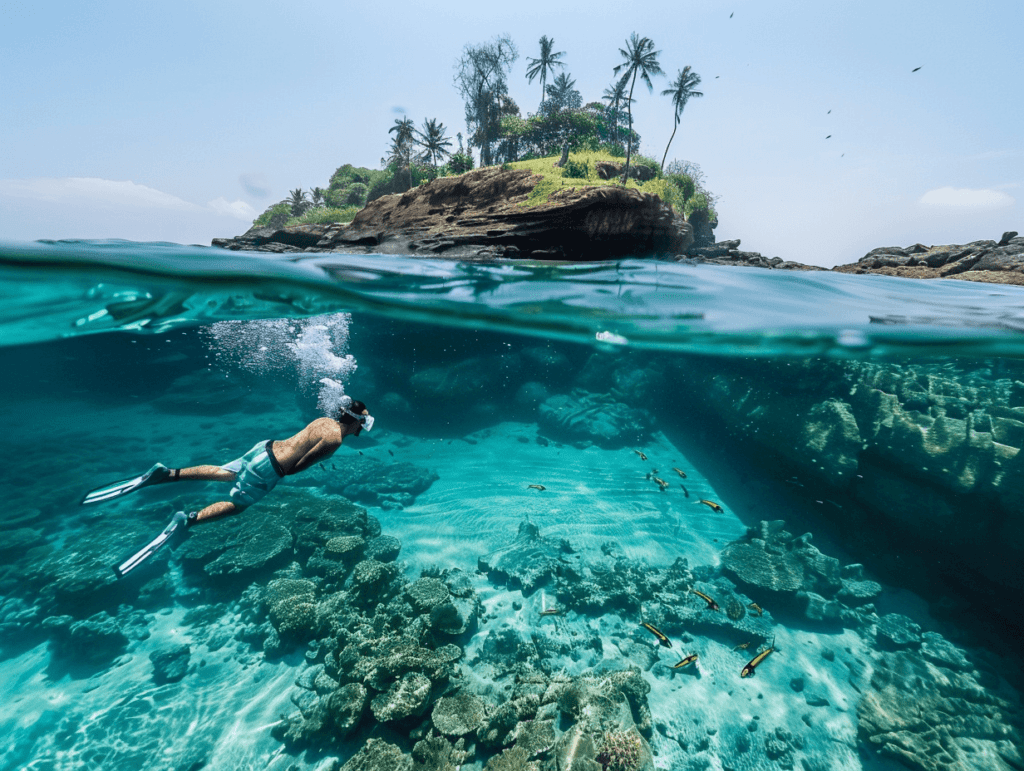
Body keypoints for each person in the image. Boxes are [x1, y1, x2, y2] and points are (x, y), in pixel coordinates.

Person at [81, 399, 373, 577]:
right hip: (272, 468)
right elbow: (298, 467)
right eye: (365, 422)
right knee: (239, 505)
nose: (364, 429)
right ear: (357, 421)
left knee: (224, 472)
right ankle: (188, 520)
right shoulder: (334, 439)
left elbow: (299, 443)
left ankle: (167, 474)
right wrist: (280, 475)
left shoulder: (324, 421)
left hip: (264, 447)